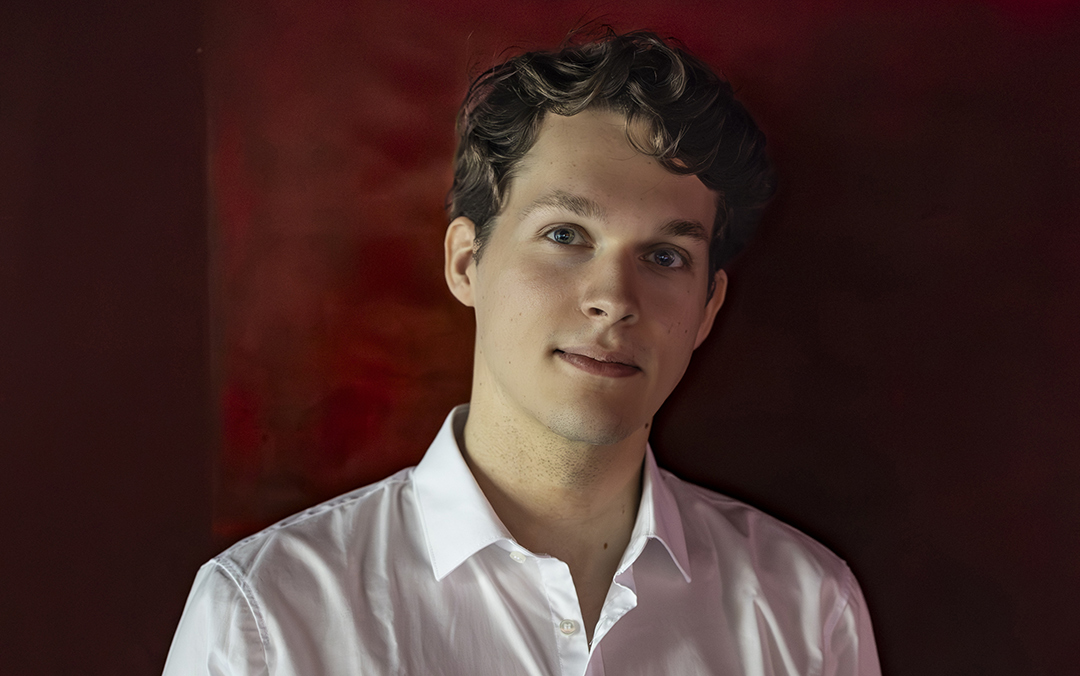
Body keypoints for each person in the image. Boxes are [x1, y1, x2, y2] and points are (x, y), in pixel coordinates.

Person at [163, 29, 882, 675]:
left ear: (707, 309)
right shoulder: (264, 618)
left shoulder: (807, 614)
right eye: (566, 234)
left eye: (664, 256)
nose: (614, 297)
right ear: (467, 262)